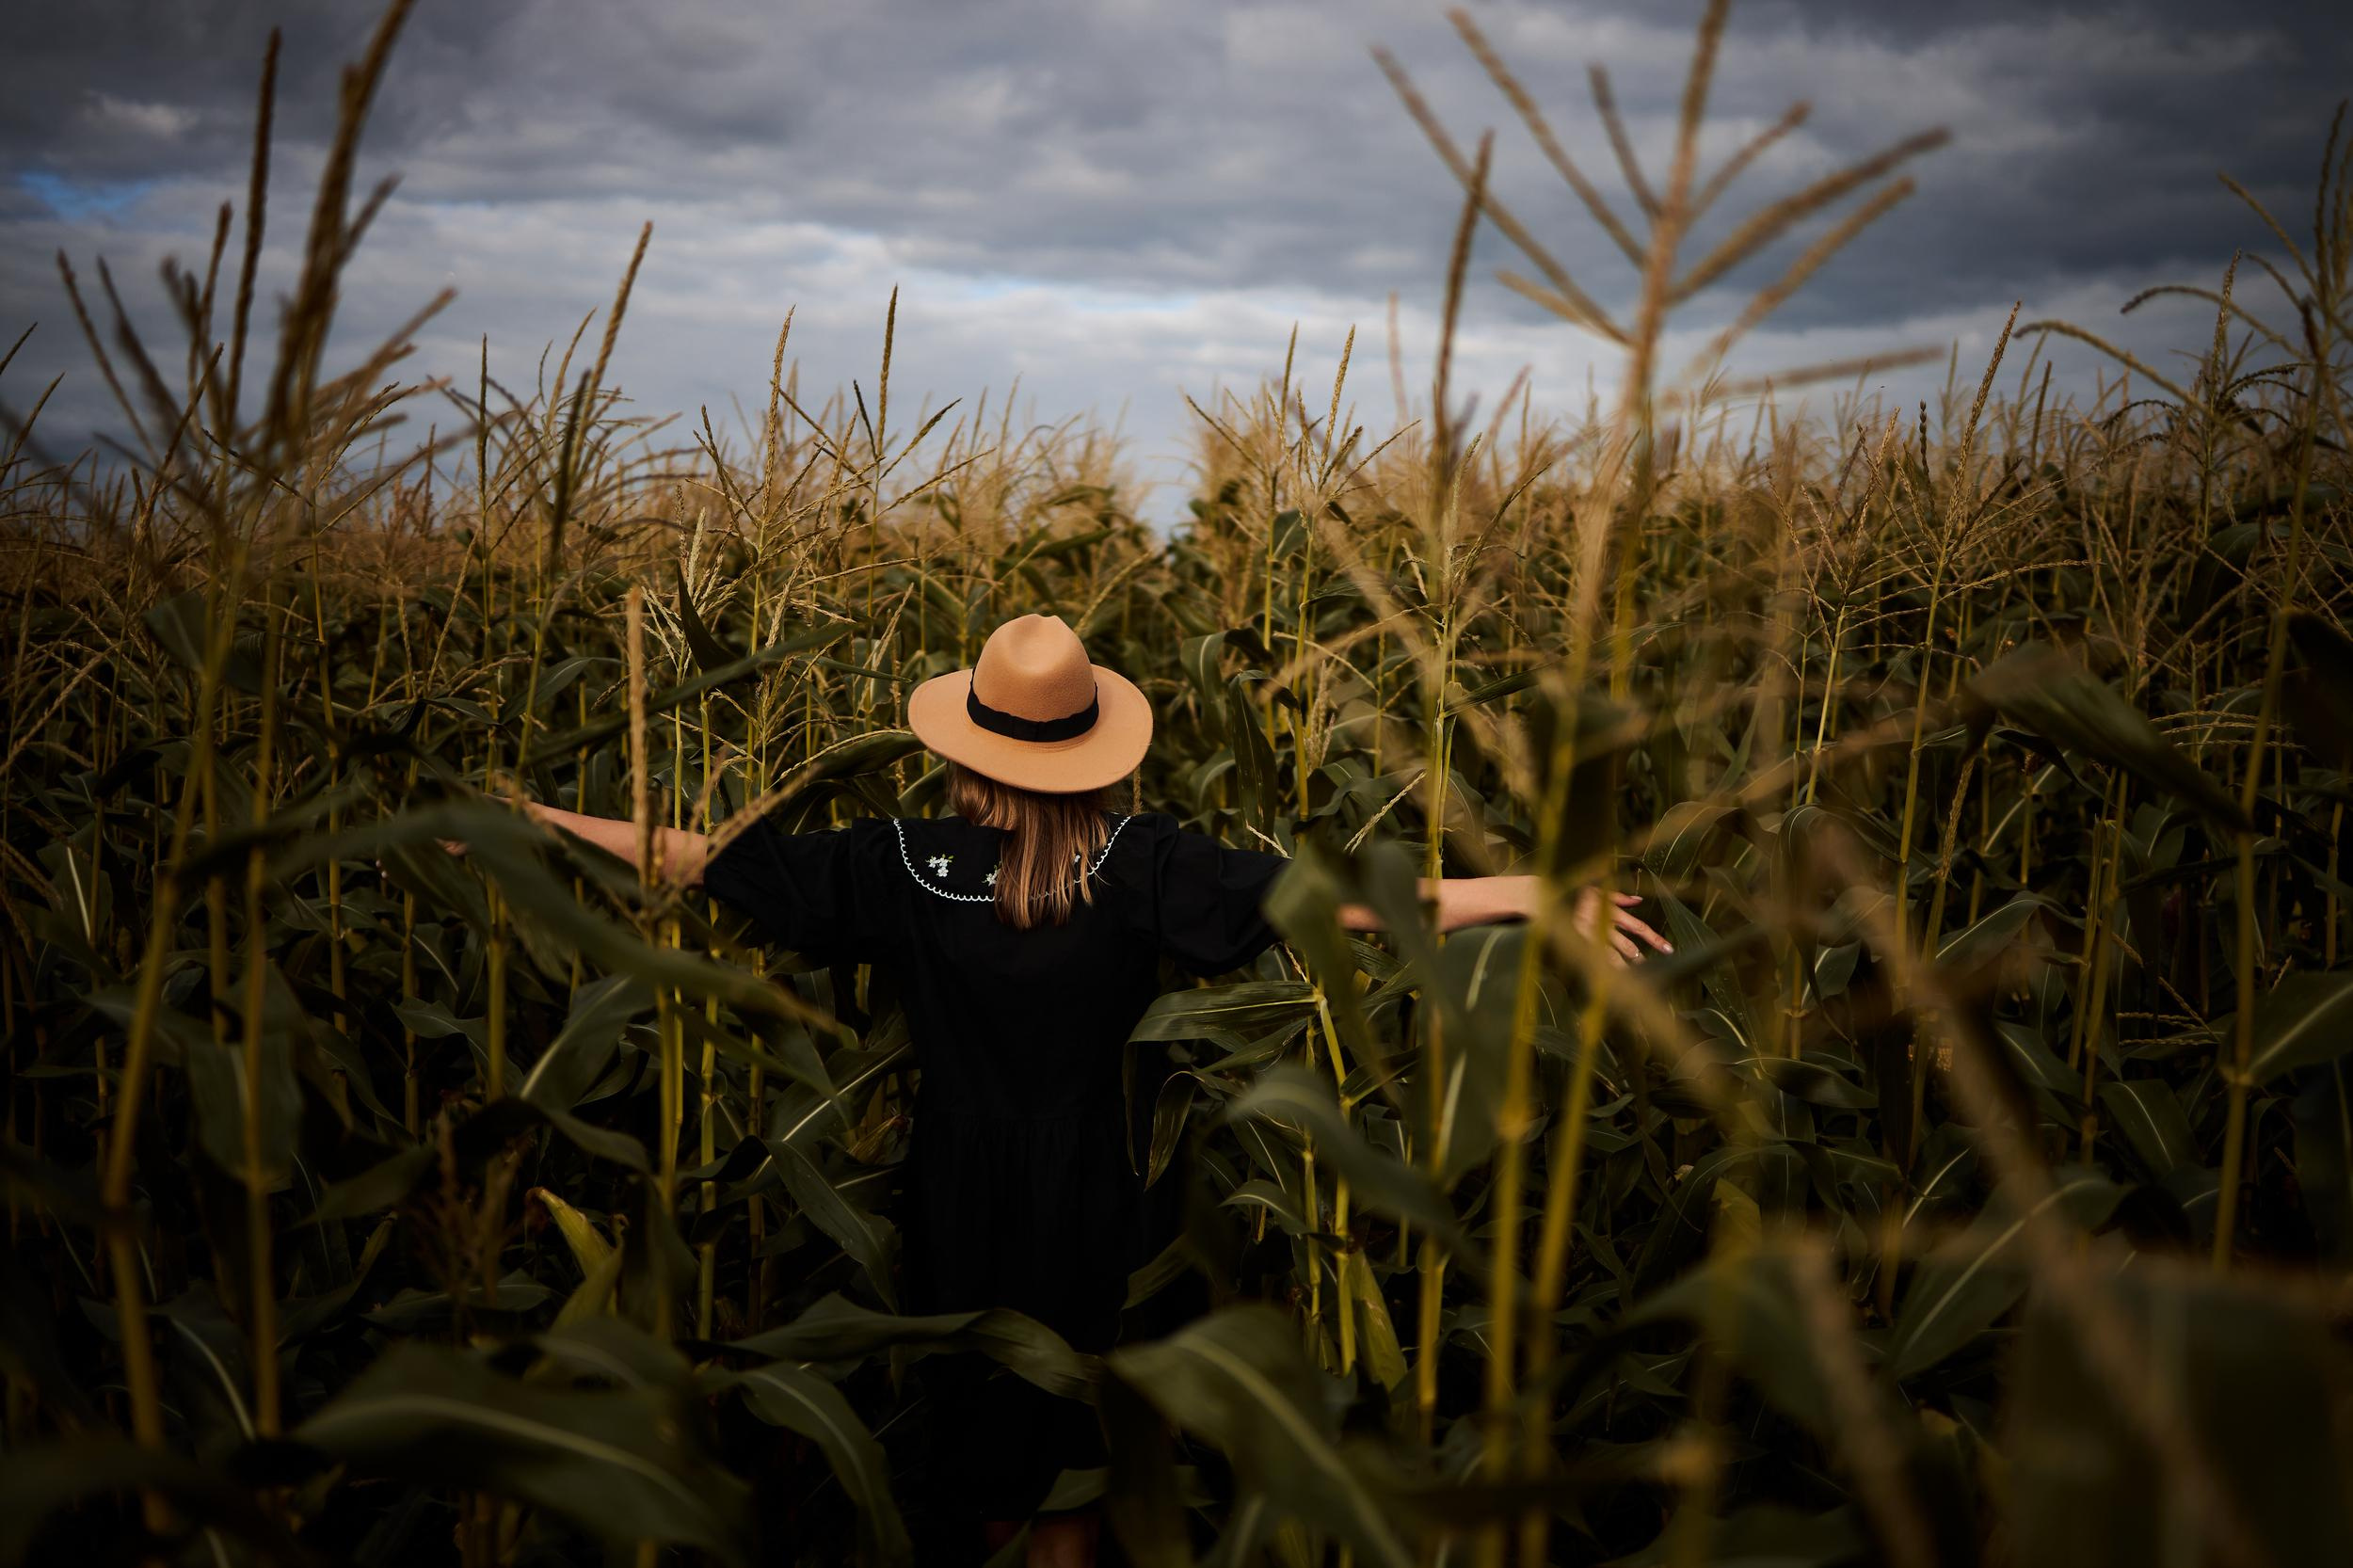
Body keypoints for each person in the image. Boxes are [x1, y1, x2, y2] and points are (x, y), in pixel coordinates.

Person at [516, 614, 1669, 1567]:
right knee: (1078, 1455)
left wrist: (547, 825)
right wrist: (1524, 885)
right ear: (1091, 748)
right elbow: (1343, 897)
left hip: (957, 1194)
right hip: (1108, 1196)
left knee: (985, 1455)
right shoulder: (1144, 867)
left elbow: (705, 855)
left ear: (963, 748)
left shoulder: (898, 866)